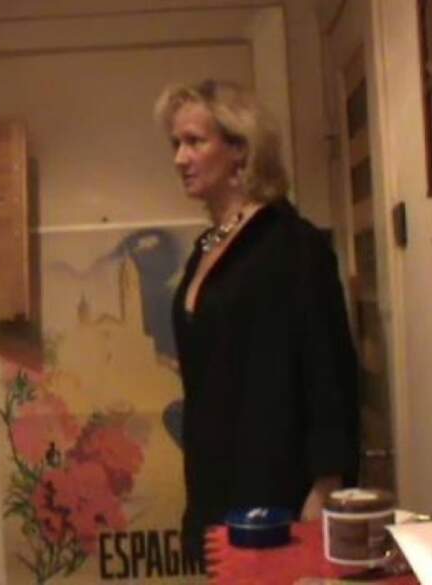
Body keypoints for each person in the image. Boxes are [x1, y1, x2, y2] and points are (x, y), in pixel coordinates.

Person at [154, 79, 360, 560]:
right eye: (176, 144)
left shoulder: (292, 245)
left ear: (240, 150)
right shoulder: (206, 249)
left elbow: (329, 373)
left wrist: (326, 487)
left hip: (276, 486)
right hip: (215, 480)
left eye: (195, 141)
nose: (180, 158)